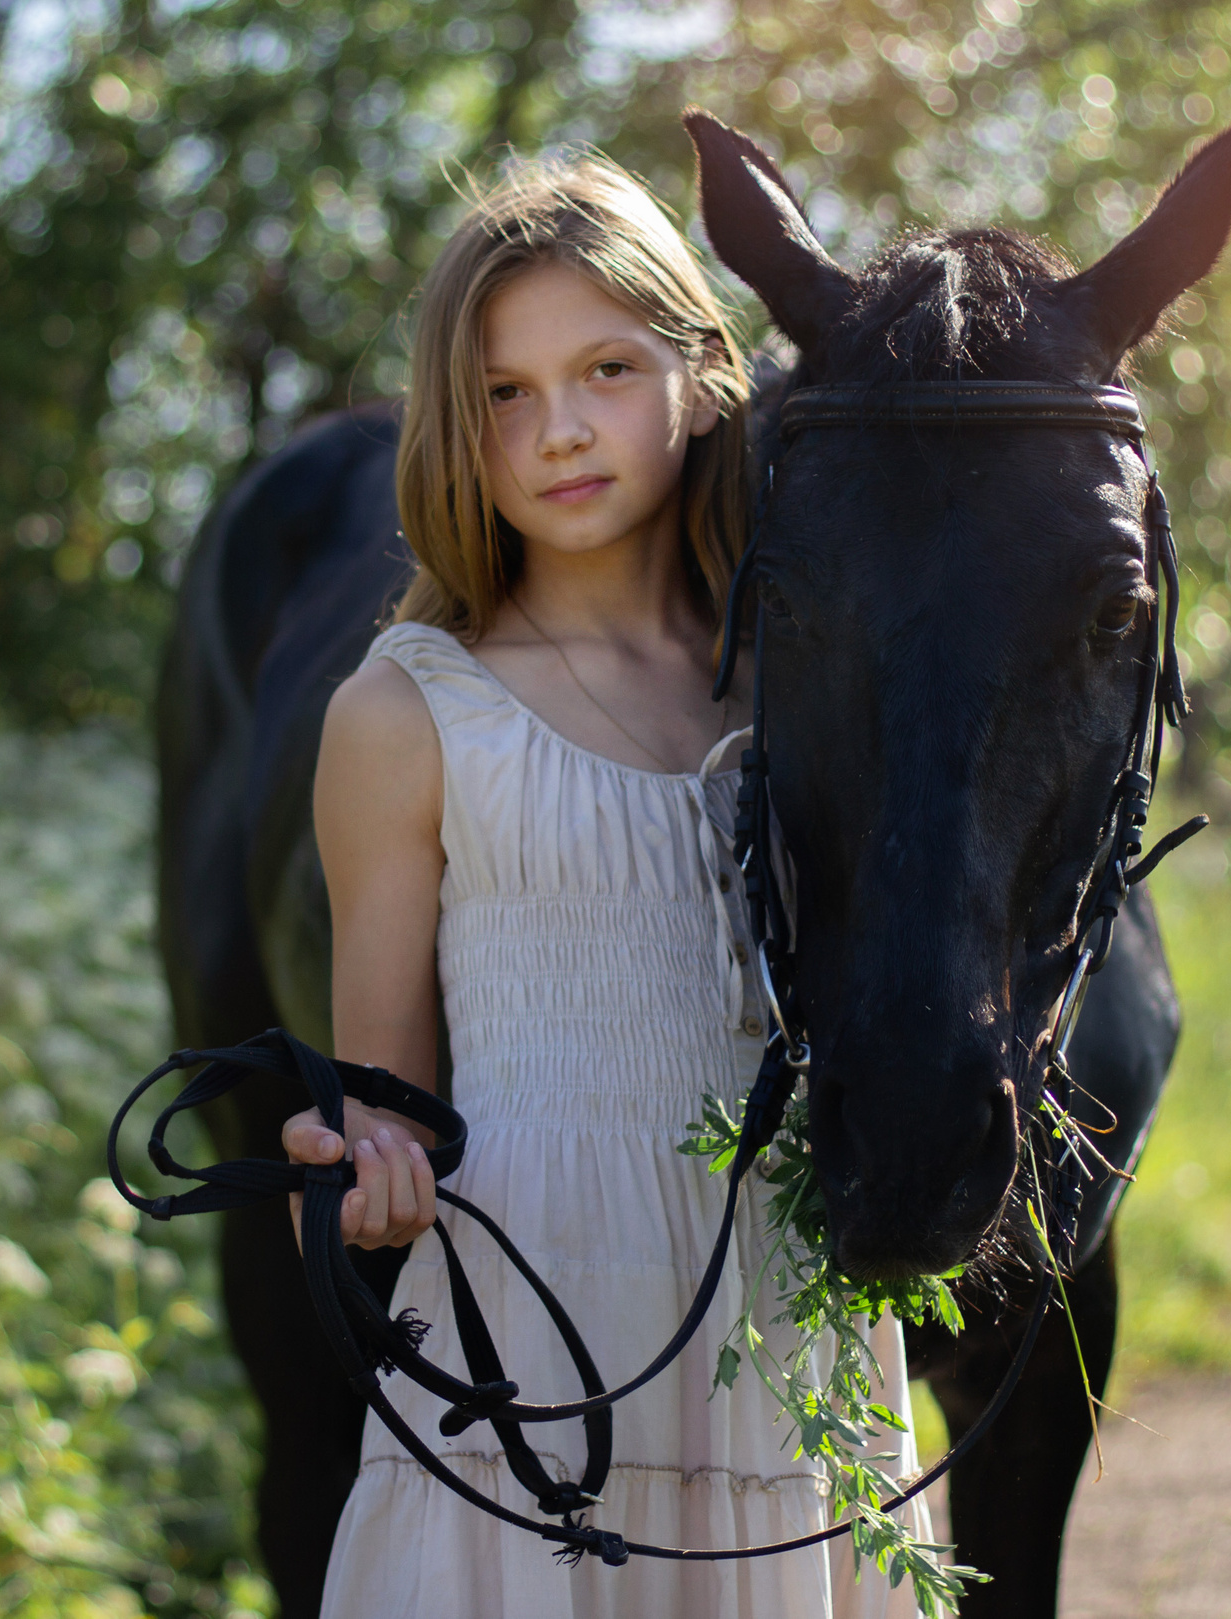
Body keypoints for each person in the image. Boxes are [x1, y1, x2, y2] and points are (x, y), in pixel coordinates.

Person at [281, 151, 928, 1617]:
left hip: (780, 1349)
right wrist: (359, 1172)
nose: (560, 431)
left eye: (606, 371)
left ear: (702, 369)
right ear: (460, 424)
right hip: (533, 1367)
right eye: (506, 394)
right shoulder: (408, 715)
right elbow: (377, 1109)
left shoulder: (800, 697)